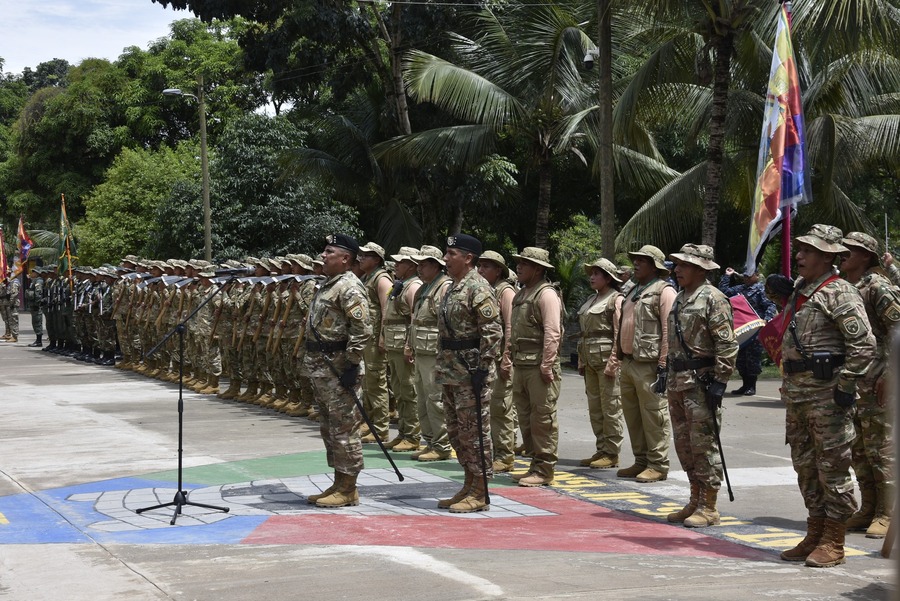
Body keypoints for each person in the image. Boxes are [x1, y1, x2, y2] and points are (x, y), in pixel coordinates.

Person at [779, 224, 875, 568]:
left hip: (827, 396)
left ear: (828, 257)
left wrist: (846, 387)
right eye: (801, 249)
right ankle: (815, 531)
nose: (800, 256)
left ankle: (834, 540)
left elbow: (864, 346)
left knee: (832, 468)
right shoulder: (802, 289)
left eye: (808, 251)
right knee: (805, 466)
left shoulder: (840, 292)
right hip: (798, 395)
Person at [666, 244, 738, 528]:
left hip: (700, 383)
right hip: (677, 381)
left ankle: (709, 506)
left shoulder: (713, 298)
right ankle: (694, 498)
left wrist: (720, 381)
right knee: (684, 444)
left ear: (701, 269)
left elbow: (727, 345)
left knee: (703, 445)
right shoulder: (681, 297)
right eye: (677, 264)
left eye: (684, 265)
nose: (677, 269)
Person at [302, 234, 372, 508]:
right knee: (329, 428)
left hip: (339, 368)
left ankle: (349, 487)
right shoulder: (328, 284)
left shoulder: (350, 287)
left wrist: (352, 365)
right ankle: (339, 482)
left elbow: (362, 330)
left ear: (345, 258)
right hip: (321, 368)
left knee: (345, 428)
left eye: (329, 251)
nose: (322, 255)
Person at [435, 234, 502, 512]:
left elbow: (493, 332)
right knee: (456, 431)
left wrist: (482, 369)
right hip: (451, 371)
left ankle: (481, 490)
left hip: (470, 374)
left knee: (474, 432)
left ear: (468, 258)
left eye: (451, 253)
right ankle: (468, 482)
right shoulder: (453, 287)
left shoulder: (478, 287)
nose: (446, 258)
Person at [840, 231, 900, 539]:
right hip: (854, 382)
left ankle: (887, 512)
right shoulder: (845, 288)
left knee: (882, 449)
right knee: (859, 450)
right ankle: (869, 507)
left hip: (877, 380)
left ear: (866, 256)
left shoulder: (878, 287)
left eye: (851, 250)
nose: (844, 254)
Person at [615, 245, 676, 482]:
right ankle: (641, 460)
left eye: (642, 260)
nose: (636, 264)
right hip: (629, 362)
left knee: (654, 415)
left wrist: (663, 364)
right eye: (636, 260)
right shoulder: (632, 291)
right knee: (633, 415)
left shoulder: (664, 291)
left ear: (655, 266)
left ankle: (658, 464)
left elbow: (668, 331)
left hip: (650, 365)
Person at [508, 247, 563, 487]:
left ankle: (544, 469)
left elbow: (553, 332)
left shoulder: (546, 294)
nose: (519, 267)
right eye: (519, 263)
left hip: (538, 366)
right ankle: (533, 464)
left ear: (538, 269)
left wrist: (547, 365)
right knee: (526, 419)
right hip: (521, 364)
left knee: (543, 419)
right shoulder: (522, 293)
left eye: (524, 264)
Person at [577, 258, 624, 470]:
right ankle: (601, 449)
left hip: (606, 361)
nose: (592, 277)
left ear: (608, 278)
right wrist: (580, 359)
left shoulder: (616, 299)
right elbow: (584, 334)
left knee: (610, 408)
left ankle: (612, 453)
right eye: (591, 273)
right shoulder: (591, 299)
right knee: (595, 409)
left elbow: (618, 333)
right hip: (589, 360)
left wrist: (614, 361)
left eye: (597, 273)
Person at [477, 251, 518, 473]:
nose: (480, 270)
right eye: (479, 266)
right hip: (488, 359)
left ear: (499, 270)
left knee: (501, 407)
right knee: (491, 408)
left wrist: (506, 359)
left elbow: (510, 327)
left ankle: (505, 455)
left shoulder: (506, 292)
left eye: (486, 267)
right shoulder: (488, 290)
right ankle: (497, 452)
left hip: (501, 358)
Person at [382, 247, 423, 452]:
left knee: (408, 390)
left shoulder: (413, 286)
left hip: (403, 345)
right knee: (398, 390)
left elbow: (414, 319)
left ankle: (413, 435)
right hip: (393, 344)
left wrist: (409, 345)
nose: (396, 265)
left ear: (412, 265)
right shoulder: (401, 284)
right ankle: (403, 432)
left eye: (401, 262)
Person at [718, 268, 777, 395]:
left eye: (749, 275)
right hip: (742, 328)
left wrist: (767, 320)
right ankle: (744, 385)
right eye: (744, 276)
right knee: (741, 359)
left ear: (756, 275)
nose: (746, 278)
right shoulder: (740, 288)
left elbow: (770, 305)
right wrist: (727, 276)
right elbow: (723, 292)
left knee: (752, 358)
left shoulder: (761, 289)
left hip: (756, 328)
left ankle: (752, 385)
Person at [357, 242, 393, 444]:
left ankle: (381, 428)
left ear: (377, 259)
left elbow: (386, 309)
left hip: (375, 340)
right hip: (365, 338)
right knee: (367, 383)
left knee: (377, 384)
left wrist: (382, 338)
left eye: (366, 255)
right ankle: (370, 422)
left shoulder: (382, 279)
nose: (361, 258)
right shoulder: (367, 278)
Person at [26, 268, 45, 347]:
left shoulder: (39, 281)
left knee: (37, 322)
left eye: (33, 272)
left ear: (37, 273)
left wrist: (37, 304)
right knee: (35, 322)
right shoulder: (35, 280)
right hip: (33, 305)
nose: (32, 273)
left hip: (36, 306)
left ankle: (39, 341)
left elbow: (38, 293)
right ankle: (37, 340)